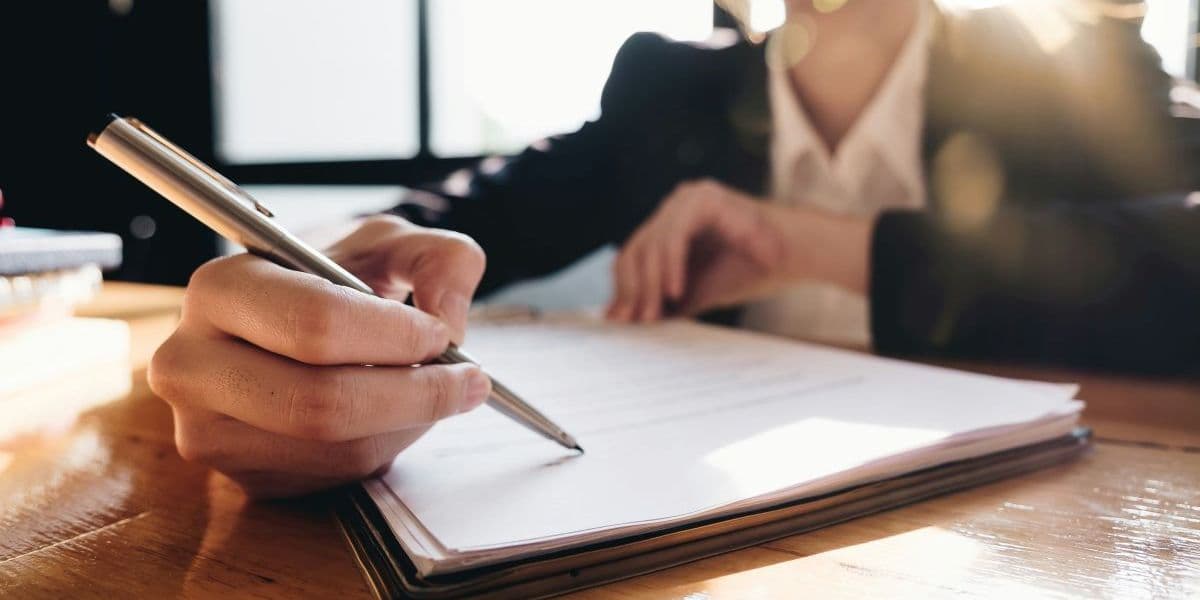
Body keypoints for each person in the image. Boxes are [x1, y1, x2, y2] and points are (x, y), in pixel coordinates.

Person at [149, 0, 1200, 497]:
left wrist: (831, 246)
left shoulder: (1064, 67)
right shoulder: (667, 86)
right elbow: (465, 212)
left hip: (1043, 519)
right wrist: (317, 276)